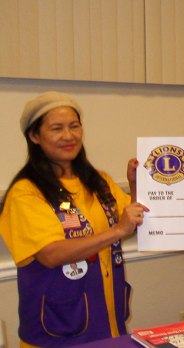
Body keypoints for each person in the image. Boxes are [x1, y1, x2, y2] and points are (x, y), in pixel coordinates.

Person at [0, 91, 149, 347]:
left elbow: (133, 224)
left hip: (108, 324)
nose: (69, 136)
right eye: (56, 128)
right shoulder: (25, 192)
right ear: (34, 136)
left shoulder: (98, 181)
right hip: (58, 332)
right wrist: (116, 231)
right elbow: (51, 254)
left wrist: (137, 188)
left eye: (74, 126)